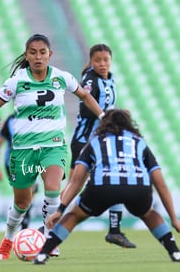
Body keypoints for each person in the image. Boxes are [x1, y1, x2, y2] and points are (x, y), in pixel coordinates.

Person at [0, 34, 104, 261]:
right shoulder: (17, 81)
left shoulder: (62, 78)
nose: (38, 56)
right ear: (27, 55)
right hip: (23, 150)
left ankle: (49, 239)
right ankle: (8, 239)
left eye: (42, 52)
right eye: (33, 52)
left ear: (50, 54)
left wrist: (103, 116)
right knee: (22, 203)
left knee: (52, 188)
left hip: (53, 146)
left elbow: (85, 95)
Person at [34, 109, 180, 264]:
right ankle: (175, 253)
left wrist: (61, 210)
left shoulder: (95, 142)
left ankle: (43, 254)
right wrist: (174, 219)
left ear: (103, 124)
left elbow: (76, 181)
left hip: (103, 187)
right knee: (149, 214)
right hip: (137, 188)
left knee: (73, 216)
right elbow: (160, 183)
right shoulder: (138, 142)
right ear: (129, 124)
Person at [68, 43, 135, 248]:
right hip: (85, 141)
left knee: (117, 180)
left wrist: (117, 114)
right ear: (91, 61)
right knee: (72, 189)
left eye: (105, 60)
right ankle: (49, 227)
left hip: (102, 140)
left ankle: (114, 231)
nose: (102, 64)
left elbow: (107, 108)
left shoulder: (109, 79)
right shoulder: (90, 80)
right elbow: (86, 109)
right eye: (98, 60)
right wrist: (107, 116)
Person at [0, 113, 38, 230]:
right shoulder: (11, 120)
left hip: (31, 162)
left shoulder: (37, 117)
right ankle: (19, 226)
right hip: (13, 163)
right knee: (23, 195)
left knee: (31, 193)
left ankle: (22, 226)